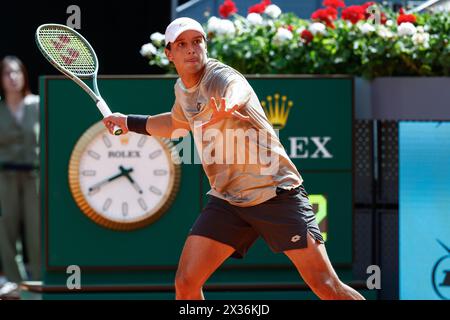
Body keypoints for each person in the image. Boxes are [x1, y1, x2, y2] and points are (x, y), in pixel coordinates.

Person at [103, 17, 365, 300]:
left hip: (275, 193)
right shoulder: (181, 89)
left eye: (197, 42)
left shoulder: (221, 77)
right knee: (186, 282)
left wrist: (228, 105)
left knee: (326, 285)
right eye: (182, 44)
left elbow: (235, 89)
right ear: (169, 53)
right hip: (228, 200)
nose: (191, 49)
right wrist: (129, 122)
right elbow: (177, 126)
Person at [0, 56, 40, 298]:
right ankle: (14, 283)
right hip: (4, 176)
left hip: (34, 175)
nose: (13, 78)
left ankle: (37, 283)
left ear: (24, 75)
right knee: (5, 229)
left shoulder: (37, 104)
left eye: (17, 72)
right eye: (7, 73)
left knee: (37, 230)